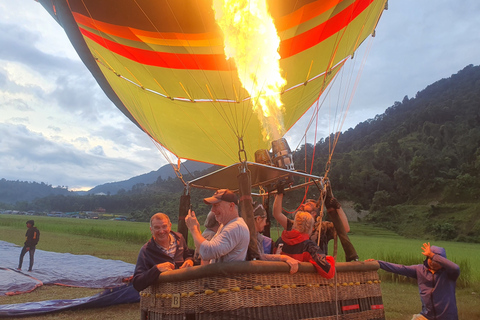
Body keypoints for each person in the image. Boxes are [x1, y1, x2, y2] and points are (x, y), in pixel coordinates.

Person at [369, 243, 460, 320]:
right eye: (430, 259)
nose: (433, 263)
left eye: (436, 261)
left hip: (447, 317)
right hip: (427, 315)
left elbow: (456, 267)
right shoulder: (419, 270)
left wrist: (433, 255)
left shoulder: (450, 273)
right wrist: (378, 263)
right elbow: (400, 268)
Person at [273, 180, 359, 262]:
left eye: (308, 204)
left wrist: (338, 207)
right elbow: (277, 214)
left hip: (319, 266)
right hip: (299, 266)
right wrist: (279, 194)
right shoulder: (296, 224)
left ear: (314, 213)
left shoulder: (323, 227)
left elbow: (345, 229)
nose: (304, 204)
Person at [133, 213, 194, 292]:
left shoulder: (180, 239)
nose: (161, 231)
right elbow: (137, 283)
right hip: (163, 296)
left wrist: (189, 260)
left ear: (170, 226)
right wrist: (157, 269)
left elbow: (188, 255)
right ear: (151, 230)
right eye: (157, 228)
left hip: (185, 290)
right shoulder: (146, 250)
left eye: (164, 226)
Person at [185, 189, 250, 263]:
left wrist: (193, 229)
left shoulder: (236, 227)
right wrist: (197, 230)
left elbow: (207, 253)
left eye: (216, 205)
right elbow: (206, 250)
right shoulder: (226, 225)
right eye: (212, 206)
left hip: (226, 274)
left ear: (231, 206)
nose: (212, 210)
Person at [275, 211, 335, 278]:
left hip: (277, 283)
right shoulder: (309, 247)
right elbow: (329, 272)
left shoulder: (279, 241)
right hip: (298, 284)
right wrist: (328, 258)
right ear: (311, 228)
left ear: (294, 224)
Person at [253, 202, 299, 274]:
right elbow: (260, 256)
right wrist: (284, 258)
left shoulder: (255, 236)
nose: (265, 224)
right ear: (258, 219)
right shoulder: (249, 236)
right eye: (265, 220)